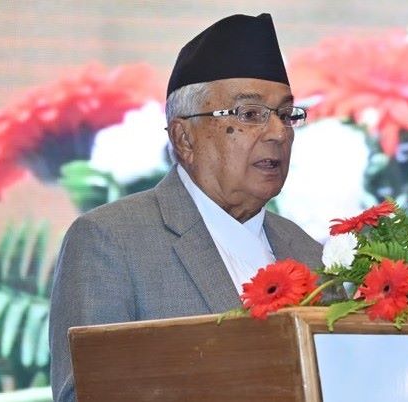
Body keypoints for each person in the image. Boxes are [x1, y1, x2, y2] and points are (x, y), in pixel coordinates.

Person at [49, 14, 328, 402]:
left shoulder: (308, 252)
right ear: (184, 138)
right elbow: (84, 394)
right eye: (250, 114)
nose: (279, 133)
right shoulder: (111, 242)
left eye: (285, 115)